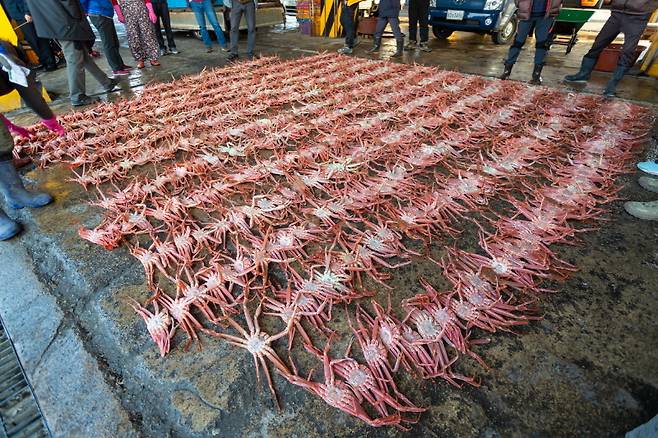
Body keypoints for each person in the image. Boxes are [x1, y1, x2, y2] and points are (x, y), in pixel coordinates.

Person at [0, 41, 65, 240]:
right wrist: (49, 119)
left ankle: (15, 192)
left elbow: (27, 88)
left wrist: (9, 126)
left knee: (1, 144)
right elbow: (29, 93)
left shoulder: (7, 61)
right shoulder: (11, 64)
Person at [25, 0, 119, 106]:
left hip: (52, 21)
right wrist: (78, 17)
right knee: (74, 58)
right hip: (65, 21)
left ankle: (106, 82)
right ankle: (77, 96)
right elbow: (69, 3)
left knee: (81, 54)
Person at [564, 0, 658, 97]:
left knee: (628, 51)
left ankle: (612, 85)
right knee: (598, 44)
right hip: (616, 14)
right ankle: (583, 74)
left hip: (638, 18)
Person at [499, 0, 563, 84]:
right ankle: (506, 71)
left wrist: (556, 6)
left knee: (542, 44)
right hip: (526, 14)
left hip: (546, 16)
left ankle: (536, 76)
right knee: (518, 42)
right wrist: (521, 5)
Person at [2, 0, 58, 71]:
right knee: (32, 41)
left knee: (38, 39)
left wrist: (27, 12)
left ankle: (50, 63)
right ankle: (44, 61)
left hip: (24, 15)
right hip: (18, 16)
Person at [81, 0, 133, 75]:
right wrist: (85, 11)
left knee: (114, 41)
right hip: (98, 14)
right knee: (108, 43)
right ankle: (116, 68)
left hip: (106, 14)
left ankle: (120, 65)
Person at [112, 0, 161, 68]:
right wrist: (119, 14)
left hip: (142, 10)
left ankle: (153, 58)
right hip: (127, 13)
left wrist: (151, 11)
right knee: (133, 37)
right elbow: (114, 2)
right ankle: (140, 59)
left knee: (148, 34)